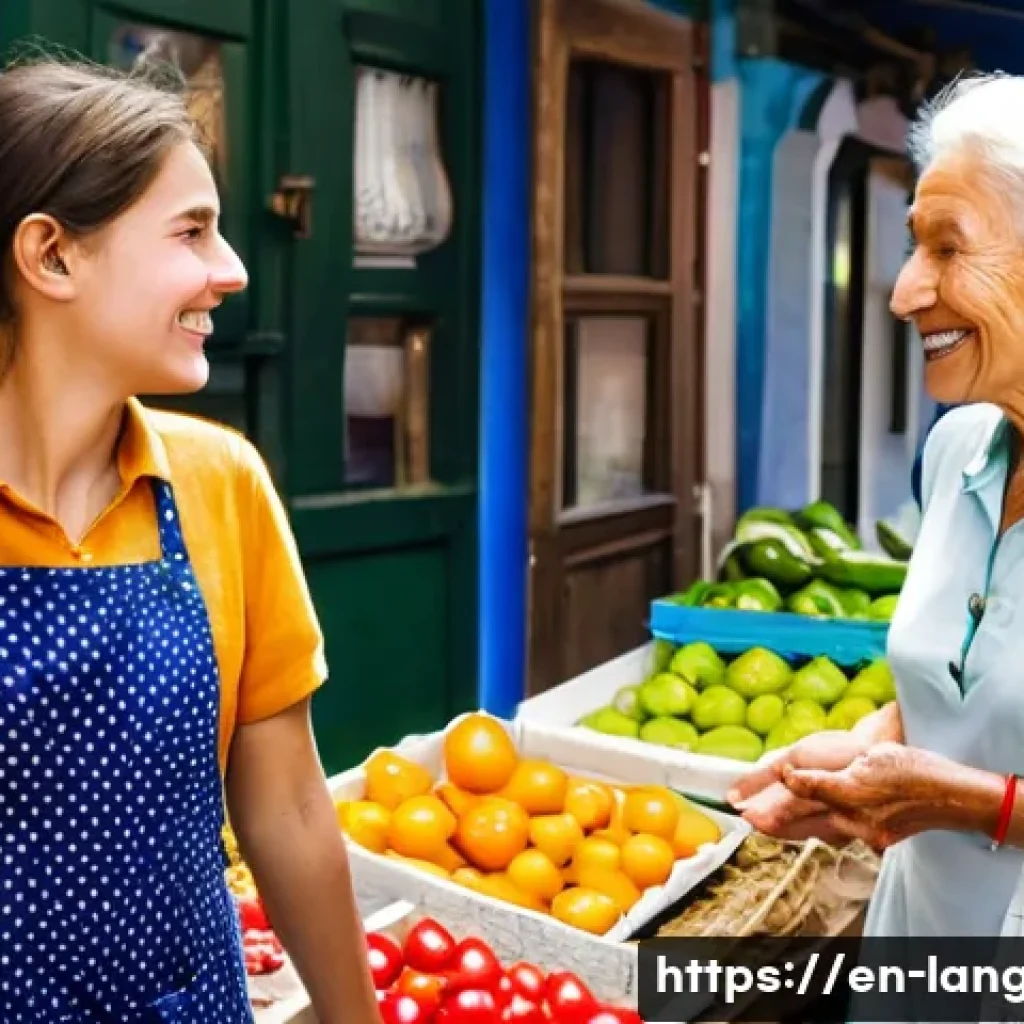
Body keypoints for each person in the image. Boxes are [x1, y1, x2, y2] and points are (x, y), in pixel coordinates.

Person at [0, 58, 380, 1023]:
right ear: (52, 256)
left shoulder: (220, 483)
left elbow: (288, 809)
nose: (234, 270)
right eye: (191, 231)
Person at [729, 71, 1024, 943]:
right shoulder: (958, 451)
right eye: (912, 247)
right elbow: (968, 691)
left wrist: (959, 800)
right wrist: (868, 753)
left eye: (946, 248)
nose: (902, 293)